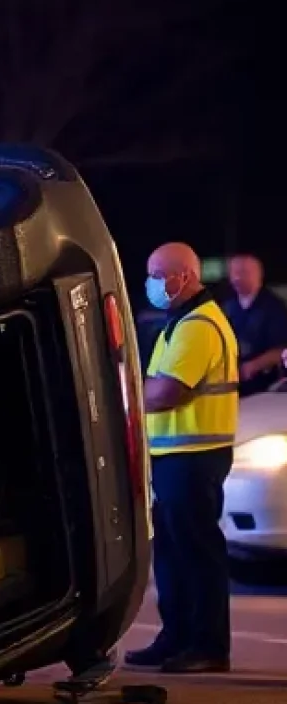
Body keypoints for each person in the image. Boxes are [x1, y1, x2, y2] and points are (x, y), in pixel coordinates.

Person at [126, 241, 238, 675]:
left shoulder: (198, 327)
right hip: (177, 455)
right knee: (173, 553)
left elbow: (166, 391)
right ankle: (176, 637)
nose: (151, 283)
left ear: (184, 277)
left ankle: (207, 646)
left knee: (196, 553)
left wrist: (132, 397)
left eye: (158, 275)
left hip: (195, 456)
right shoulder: (181, 323)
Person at [223, 254, 287, 397]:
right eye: (234, 273)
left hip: (264, 387)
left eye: (243, 272)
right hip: (231, 384)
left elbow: (280, 349)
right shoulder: (228, 305)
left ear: (259, 275)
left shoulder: (273, 307)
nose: (237, 278)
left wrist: (252, 366)